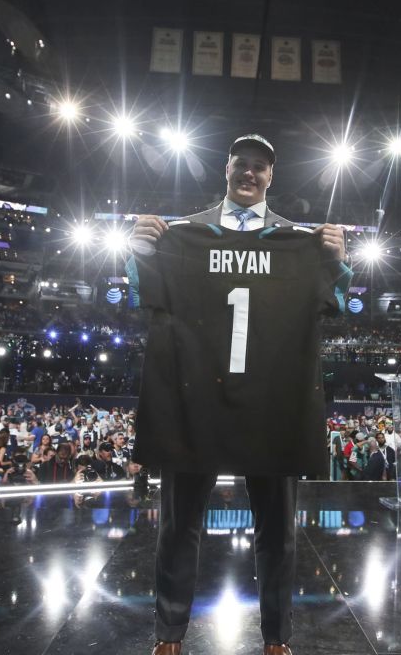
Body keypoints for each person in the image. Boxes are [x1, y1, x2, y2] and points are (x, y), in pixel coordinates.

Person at [130, 133, 349, 655]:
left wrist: (338, 263)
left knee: (279, 530)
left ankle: (277, 637)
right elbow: (141, 295)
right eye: (241, 164)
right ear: (225, 170)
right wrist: (139, 253)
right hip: (193, 398)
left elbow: (336, 301)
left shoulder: (299, 241)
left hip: (272, 400)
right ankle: (168, 634)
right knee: (178, 523)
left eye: (260, 167)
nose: (249, 173)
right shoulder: (186, 233)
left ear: (272, 176)